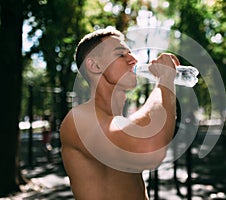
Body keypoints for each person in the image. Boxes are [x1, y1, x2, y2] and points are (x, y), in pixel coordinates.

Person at [60, 28, 179, 200]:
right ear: (95, 66)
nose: (133, 59)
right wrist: (165, 80)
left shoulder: (119, 123)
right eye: (121, 55)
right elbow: (149, 149)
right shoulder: (78, 119)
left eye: (130, 53)